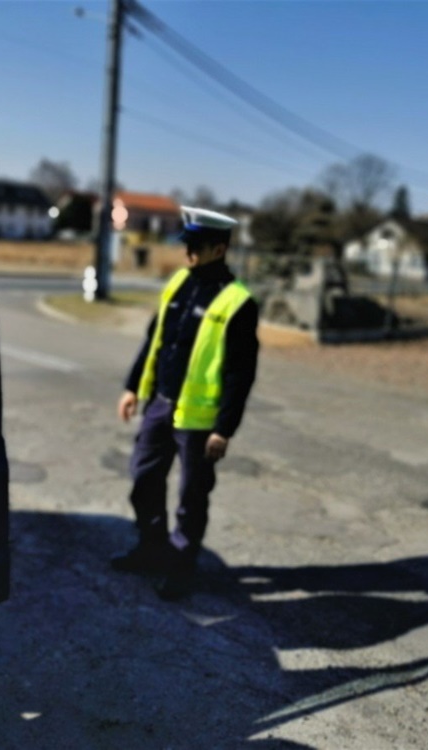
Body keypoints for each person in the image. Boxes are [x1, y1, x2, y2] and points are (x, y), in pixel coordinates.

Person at [112, 206, 259, 600]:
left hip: (200, 419)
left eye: (196, 246)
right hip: (160, 404)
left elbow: (240, 373)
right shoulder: (178, 282)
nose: (187, 253)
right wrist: (132, 387)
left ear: (219, 248)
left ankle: (179, 567)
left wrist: (224, 428)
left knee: (191, 498)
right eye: (186, 245)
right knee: (144, 478)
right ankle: (150, 549)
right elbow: (154, 340)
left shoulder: (237, 302)